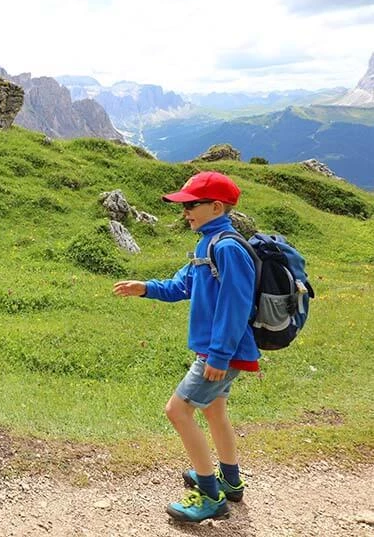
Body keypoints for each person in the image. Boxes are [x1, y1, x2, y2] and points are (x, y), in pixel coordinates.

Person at [112, 171, 259, 523]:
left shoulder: (226, 247)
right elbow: (183, 284)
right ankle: (231, 481)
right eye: (184, 205)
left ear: (216, 206)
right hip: (220, 351)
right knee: (214, 410)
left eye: (192, 205)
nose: (185, 211)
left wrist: (219, 354)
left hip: (221, 352)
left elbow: (235, 305)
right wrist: (145, 287)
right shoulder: (206, 243)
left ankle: (210, 495)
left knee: (177, 411)